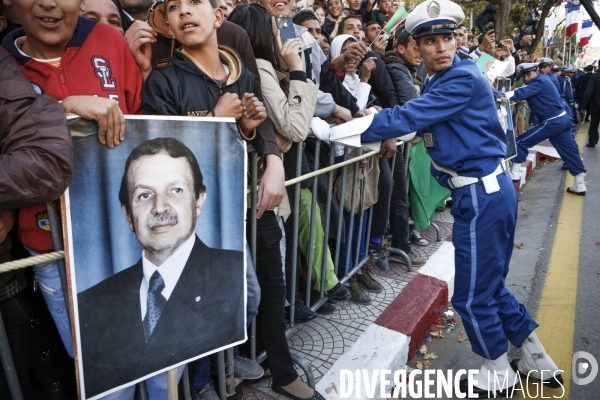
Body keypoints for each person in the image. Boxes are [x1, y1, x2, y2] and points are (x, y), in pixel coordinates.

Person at [353, 0, 563, 396]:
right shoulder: (447, 77)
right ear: (416, 48)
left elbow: (409, 118)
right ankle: (536, 358)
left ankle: (497, 374)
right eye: (431, 41)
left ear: (456, 40)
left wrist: (337, 130)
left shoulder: (459, 78)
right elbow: (427, 125)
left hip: (480, 194)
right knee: (489, 288)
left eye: (448, 37)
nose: (442, 47)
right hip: (483, 193)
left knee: (471, 295)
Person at [2, 0, 142, 362]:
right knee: (97, 366)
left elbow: (143, 122)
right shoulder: (4, 68)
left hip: (127, 237)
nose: (49, 2)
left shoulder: (110, 41)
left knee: (153, 355)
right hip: (51, 247)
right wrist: (66, 109)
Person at [77, 138, 245, 398]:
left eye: (175, 190)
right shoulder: (91, 303)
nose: (159, 207)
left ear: (199, 200)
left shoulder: (234, 275)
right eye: (144, 195)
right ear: (127, 214)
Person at [0, 47, 74, 399]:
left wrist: (60, 111)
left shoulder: (5, 70)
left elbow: (45, 164)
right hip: (41, 249)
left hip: (68, 248)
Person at [504, 63, 587, 194]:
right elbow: (529, 92)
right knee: (570, 152)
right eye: (524, 75)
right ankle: (580, 184)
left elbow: (522, 92)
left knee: (520, 142)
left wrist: (500, 94)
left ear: (536, 71)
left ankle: (513, 176)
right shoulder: (542, 79)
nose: (526, 77)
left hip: (552, 122)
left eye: (528, 74)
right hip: (562, 120)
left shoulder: (538, 82)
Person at [581, 60, 600, 148]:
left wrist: (584, 106)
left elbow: (588, 92)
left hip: (596, 105)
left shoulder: (595, 76)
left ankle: (592, 142)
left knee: (594, 125)